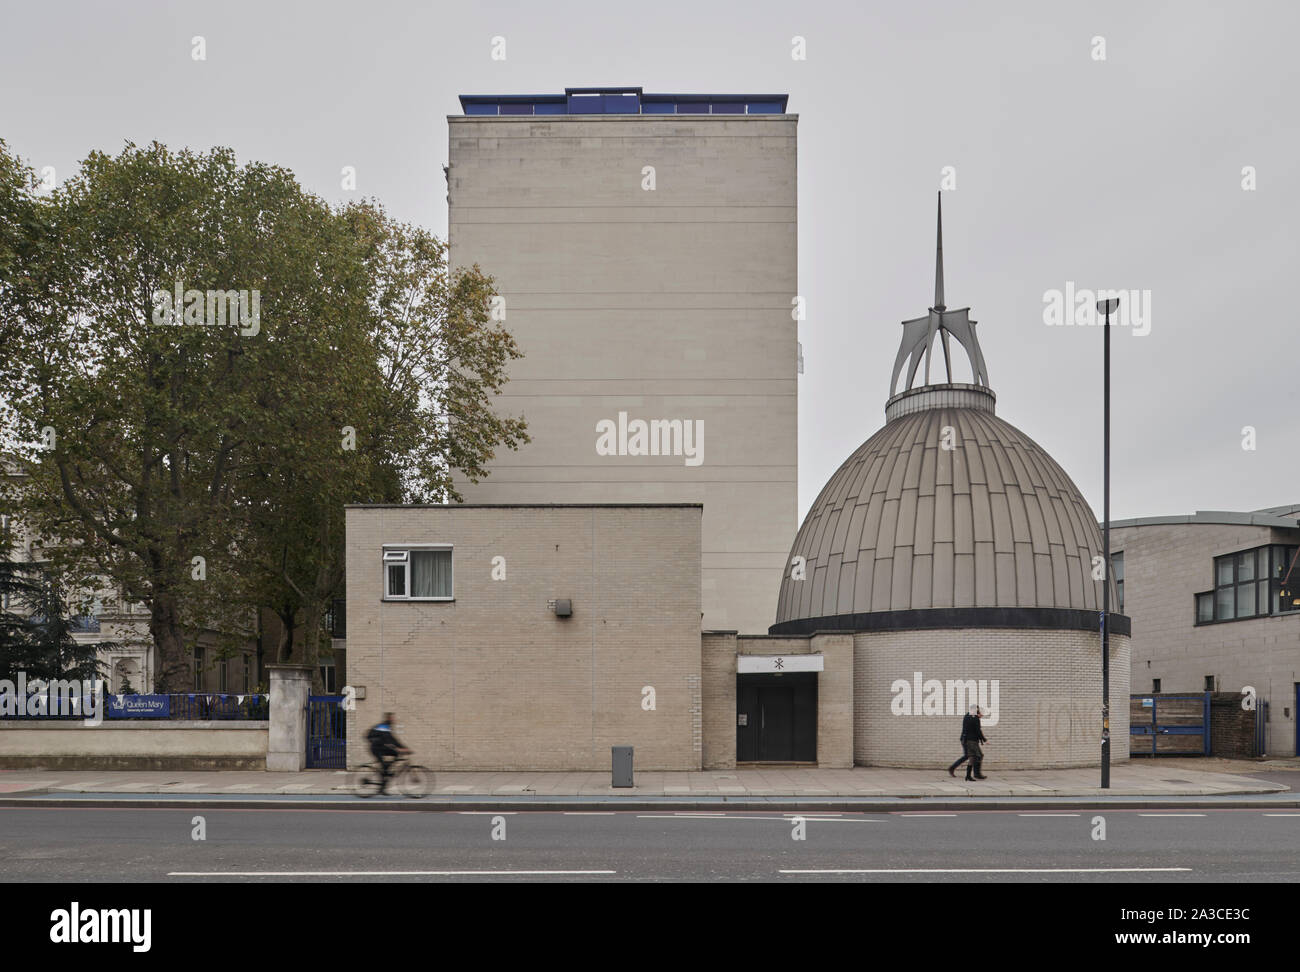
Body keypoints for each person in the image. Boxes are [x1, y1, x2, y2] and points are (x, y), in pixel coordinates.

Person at [366, 712, 410, 794]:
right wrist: (402, 748)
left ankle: (387, 771)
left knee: (395, 754)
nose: (394, 719)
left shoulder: (387, 726)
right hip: (375, 748)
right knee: (384, 767)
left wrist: (403, 747)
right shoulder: (383, 726)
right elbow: (390, 739)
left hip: (381, 747)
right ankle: (382, 786)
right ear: (388, 718)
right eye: (392, 718)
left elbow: (393, 739)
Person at [948, 704, 988, 781]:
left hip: (965, 739)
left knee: (969, 756)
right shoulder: (974, 718)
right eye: (978, 711)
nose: (979, 712)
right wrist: (984, 740)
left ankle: (973, 774)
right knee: (974, 756)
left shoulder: (967, 716)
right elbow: (978, 731)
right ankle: (976, 774)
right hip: (969, 740)